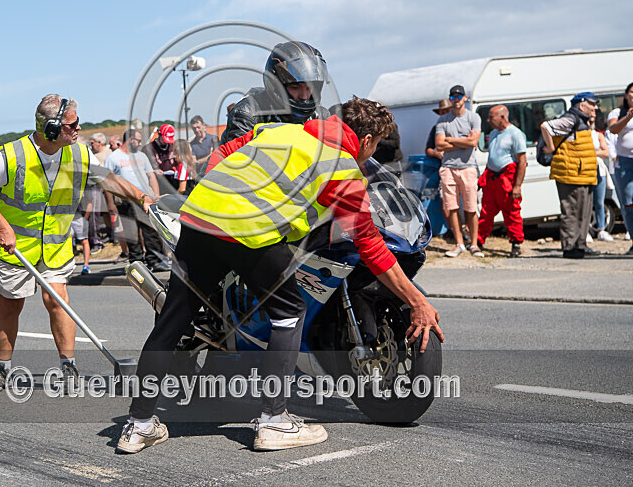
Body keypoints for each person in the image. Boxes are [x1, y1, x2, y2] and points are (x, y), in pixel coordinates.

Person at [117, 97, 444, 454]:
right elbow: (371, 246)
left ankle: (139, 424)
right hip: (251, 230)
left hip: (199, 217)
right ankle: (274, 421)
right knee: (289, 313)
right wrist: (418, 300)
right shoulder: (343, 168)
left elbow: (227, 148)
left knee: (172, 321)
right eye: (376, 145)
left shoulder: (281, 131)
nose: (373, 153)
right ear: (366, 141)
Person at [0, 94, 155, 394]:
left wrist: (140, 196)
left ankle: (69, 366)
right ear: (52, 130)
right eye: (73, 125)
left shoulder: (79, 154)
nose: (79, 129)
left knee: (58, 302)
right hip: (17, 248)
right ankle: (2, 368)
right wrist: (1, 226)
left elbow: (108, 180)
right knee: (11, 305)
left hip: (56, 246)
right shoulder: (13, 155)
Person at [220, 41, 330, 145]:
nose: (304, 96)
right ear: (276, 86)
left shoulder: (320, 116)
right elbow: (240, 161)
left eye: (309, 88)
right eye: (295, 87)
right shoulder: (247, 114)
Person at [540, 92, 599, 258]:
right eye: (592, 104)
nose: (595, 107)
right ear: (582, 105)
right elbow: (546, 126)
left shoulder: (583, 120)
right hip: (571, 174)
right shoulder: (571, 119)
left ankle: (579, 245)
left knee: (583, 212)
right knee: (571, 211)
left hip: (582, 174)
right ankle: (570, 247)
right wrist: (551, 148)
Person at [105, 128, 169, 271]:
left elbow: (151, 176)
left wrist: (156, 196)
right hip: (125, 199)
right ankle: (137, 262)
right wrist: (110, 202)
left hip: (145, 198)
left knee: (151, 229)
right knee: (131, 231)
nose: (140, 144)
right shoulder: (113, 157)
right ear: (131, 140)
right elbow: (107, 182)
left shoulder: (141, 156)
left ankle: (155, 261)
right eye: (138, 141)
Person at [435, 85, 483, 257]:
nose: (456, 99)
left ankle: (474, 243)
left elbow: (473, 142)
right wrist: (464, 140)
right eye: (453, 96)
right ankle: (459, 243)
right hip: (448, 167)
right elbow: (439, 144)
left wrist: (450, 139)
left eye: (459, 96)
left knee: (471, 207)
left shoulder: (473, 117)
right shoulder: (442, 120)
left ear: (465, 98)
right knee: (452, 207)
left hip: (468, 167)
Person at [477, 105, 527, 257]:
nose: (488, 120)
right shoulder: (493, 133)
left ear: (502, 118)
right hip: (492, 178)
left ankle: (516, 243)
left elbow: (522, 162)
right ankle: (478, 241)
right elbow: (492, 157)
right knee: (486, 211)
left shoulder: (516, 134)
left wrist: (517, 186)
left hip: (507, 178)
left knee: (512, 211)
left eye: (491, 117)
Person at [607, 81, 633, 253]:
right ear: (626, 95)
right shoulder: (617, 113)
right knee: (629, 203)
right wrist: (628, 117)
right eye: (632, 92)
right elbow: (613, 129)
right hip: (625, 161)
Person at [589, 115, 614, 243]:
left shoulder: (598, 135)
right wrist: (597, 151)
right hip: (586, 170)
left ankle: (601, 229)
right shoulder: (580, 134)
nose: (591, 123)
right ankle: (586, 231)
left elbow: (606, 152)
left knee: (599, 202)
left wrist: (592, 152)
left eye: (592, 121)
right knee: (586, 202)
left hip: (599, 170)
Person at [88, 133, 115, 250]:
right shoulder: (93, 154)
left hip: (108, 187)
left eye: (92, 143)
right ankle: (109, 233)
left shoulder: (107, 154)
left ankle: (115, 234)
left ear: (99, 142)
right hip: (98, 187)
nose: (91, 145)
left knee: (112, 211)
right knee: (104, 212)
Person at [143, 124, 179, 193]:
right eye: (165, 139)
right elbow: (142, 170)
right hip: (158, 186)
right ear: (160, 134)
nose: (167, 142)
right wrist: (154, 171)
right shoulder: (147, 149)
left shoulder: (173, 147)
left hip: (173, 186)